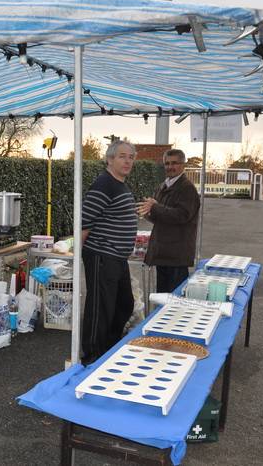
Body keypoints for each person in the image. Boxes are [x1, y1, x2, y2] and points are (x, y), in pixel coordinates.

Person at [81, 140, 137, 363]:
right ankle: (92, 355)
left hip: (117, 257)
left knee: (124, 303)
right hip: (102, 255)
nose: (127, 161)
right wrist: (79, 256)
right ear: (110, 159)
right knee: (100, 307)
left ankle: (109, 346)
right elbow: (85, 221)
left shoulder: (119, 184)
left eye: (131, 157)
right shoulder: (104, 183)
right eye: (122, 156)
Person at [137, 149, 200, 293]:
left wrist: (155, 207)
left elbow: (182, 215)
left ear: (183, 165)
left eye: (174, 163)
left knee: (174, 302)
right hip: (163, 254)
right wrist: (147, 211)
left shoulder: (187, 189)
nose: (170, 167)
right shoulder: (163, 186)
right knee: (162, 299)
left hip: (177, 255)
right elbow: (159, 216)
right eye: (167, 163)